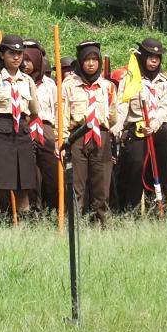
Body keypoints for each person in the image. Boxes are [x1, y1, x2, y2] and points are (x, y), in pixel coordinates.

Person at [0, 34, 40, 216]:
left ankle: (23, 230)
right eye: (12, 53)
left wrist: (21, 125)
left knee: (23, 185)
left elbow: (34, 111)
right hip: (0, 132)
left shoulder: (28, 81)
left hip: (22, 133)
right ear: (2, 54)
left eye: (19, 53)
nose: (17, 57)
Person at [59, 40, 117, 224]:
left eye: (94, 59)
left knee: (102, 186)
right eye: (87, 60)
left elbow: (113, 116)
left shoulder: (108, 87)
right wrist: (61, 141)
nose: (91, 63)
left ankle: (101, 224)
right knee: (77, 186)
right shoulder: (68, 85)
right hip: (77, 137)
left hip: (101, 136)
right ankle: (76, 225)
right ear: (80, 62)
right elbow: (62, 115)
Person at [115, 38, 167, 211]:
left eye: (157, 57)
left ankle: (157, 206)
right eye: (150, 56)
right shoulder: (131, 79)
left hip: (158, 130)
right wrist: (115, 128)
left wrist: (155, 124)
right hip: (137, 129)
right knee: (135, 166)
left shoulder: (165, 81)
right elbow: (122, 105)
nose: (154, 60)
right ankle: (131, 209)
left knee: (160, 168)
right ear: (143, 57)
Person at [23, 40, 60, 212]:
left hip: (46, 128)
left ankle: (53, 210)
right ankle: (30, 211)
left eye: (29, 60)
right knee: (27, 173)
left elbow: (57, 109)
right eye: (22, 59)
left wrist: (58, 134)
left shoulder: (50, 85)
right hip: (25, 128)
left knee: (52, 172)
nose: (25, 64)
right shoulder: (17, 82)